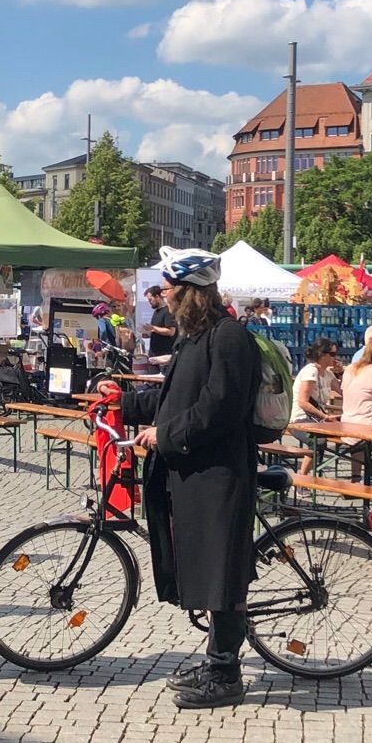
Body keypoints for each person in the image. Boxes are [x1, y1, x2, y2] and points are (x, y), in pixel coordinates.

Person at [119, 248, 259, 711]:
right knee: (206, 567)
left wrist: (166, 435)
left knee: (222, 575)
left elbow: (219, 408)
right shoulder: (195, 337)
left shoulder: (229, 337)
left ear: (193, 292)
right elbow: (177, 399)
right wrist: (123, 402)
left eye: (171, 290)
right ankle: (216, 659)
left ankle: (226, 674)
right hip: (194, 472)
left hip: (220, 475)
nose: (165, 297)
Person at [290, 338, 342, 425]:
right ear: (322, 354)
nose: (335, 357)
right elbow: (303, 402)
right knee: (326, 437)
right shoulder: (311, 371)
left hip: (317, 419)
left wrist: (341, 372)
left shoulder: (328, 374)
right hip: (301, 419)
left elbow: (343, 391)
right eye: (333, 354)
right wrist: (325, 417)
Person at [142, 285, 176, 360]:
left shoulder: (167, 311)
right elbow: (159, 330)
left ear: (157, 297)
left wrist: (153, 328)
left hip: (163, 355)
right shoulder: (156, 312)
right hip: (154, 354)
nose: (149, 302)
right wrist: (149, 334)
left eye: (150, 299)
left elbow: (171, 331)